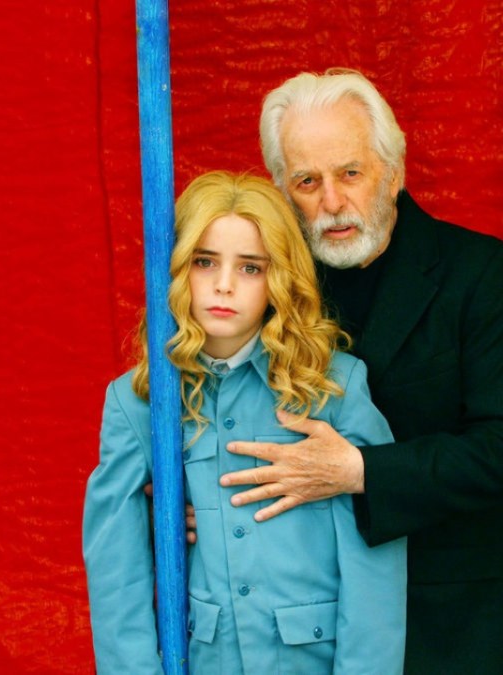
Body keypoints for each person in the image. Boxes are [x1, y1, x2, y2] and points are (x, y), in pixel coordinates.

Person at [219, 70, 503, 673]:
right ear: (283, 192)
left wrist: (359, 471)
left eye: (350, 173)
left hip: (447, 629)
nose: (331, 203)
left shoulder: (480, 272)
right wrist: (199, 505)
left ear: (393, 172)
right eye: (308, 182)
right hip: (305, 626)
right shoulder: (269, 289)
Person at [82, 171, 406, 674]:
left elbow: (375, 567)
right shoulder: (137, 402)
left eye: (251, 267)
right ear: (175, 268)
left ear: (280, 279)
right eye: (204, 261)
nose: (224, 284)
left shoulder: (333, 389)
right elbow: (115, 576)